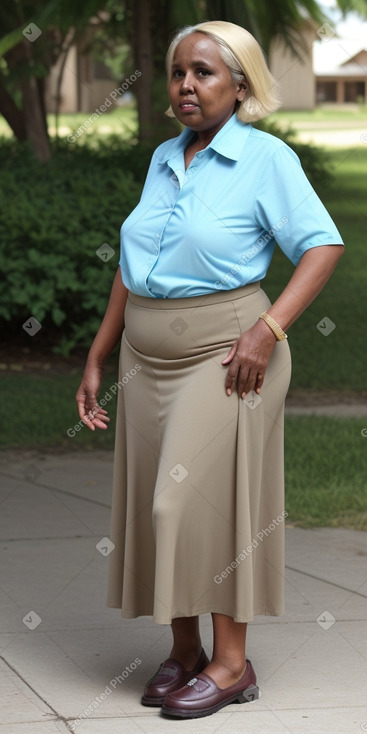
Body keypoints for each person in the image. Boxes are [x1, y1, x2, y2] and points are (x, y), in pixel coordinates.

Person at [76, 20, 344, 720]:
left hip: (228, 356)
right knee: (155, 511)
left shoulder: (264, 159)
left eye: (203, 72)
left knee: (193, 504)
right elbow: (132, 272)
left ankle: (231, 665)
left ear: (241, 85)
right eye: (176, 72)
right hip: (146, 358)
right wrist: (99, 354)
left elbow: (322, 245)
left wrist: (269, 327)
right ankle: (186, 652)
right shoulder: (166, 156)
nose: (185, 85)